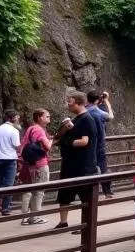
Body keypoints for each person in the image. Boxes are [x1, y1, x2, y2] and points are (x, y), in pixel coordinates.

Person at [55, 92, 98, 231]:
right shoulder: (76, 119)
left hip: (82, 165)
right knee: (64, 194)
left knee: (85, 196)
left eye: (70, 101)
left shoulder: (87, 119)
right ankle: (63, 222)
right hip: (70, 164)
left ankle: (86, 224)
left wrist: (68, 142)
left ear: (79, 102)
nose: (68, 103)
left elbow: (84, 141)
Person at [18, 109, 52, 225]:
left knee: (33, 190)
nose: (49, 119)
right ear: (39, 117)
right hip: (40, 163)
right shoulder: (39, 130)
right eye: (47, 116)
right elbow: (47, 146)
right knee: (39, 191)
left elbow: (23, 145)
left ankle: (29, 216)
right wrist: (52, 140)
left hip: (31, 164)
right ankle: (35, 217)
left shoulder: (30, 129)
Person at [0, 109, 22, 217]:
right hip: (10, 160)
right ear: (13, 118)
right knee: (9, 184)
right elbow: (17, 146)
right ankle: (5, 208)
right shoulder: (14, 131)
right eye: (17, 117)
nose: (18, 120)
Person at [86, 89, 114, 197]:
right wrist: (106, 101)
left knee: (88, 167)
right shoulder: (98, 112)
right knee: (103, 168)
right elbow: (110, 116)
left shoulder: (84, 110)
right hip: (99, 144)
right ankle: (107, 191)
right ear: (98, 100)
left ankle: (89, 193)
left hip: (87, 144)